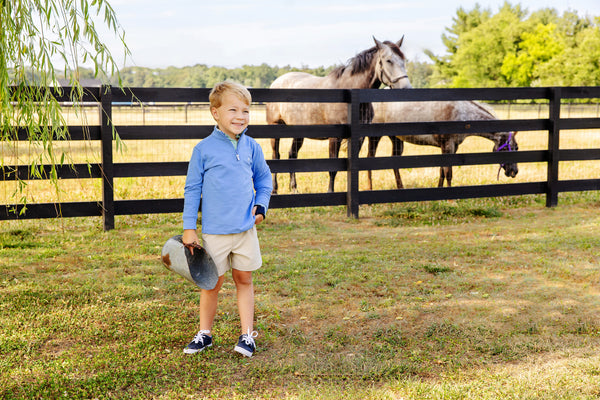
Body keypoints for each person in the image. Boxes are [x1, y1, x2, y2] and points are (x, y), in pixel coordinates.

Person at [181, 80, 272, 357]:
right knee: (213, 283)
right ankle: (205, 334)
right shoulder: (204, 149)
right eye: (233, 110)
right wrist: (189, 228)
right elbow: (192, 189)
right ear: (215, 113)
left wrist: (261, 205)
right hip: (215, 232)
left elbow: (264, 179)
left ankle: (247, 336)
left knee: (244, 279)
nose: (240, 117)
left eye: (245, 111)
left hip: (245, 230)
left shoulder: (252, 147)